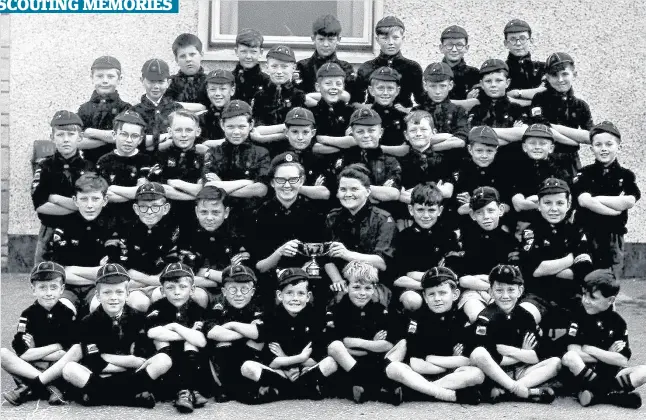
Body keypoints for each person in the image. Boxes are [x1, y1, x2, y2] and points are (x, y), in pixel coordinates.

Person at [60, 263, 168, 408]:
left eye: (119, 292)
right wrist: (128, 361)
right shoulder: (88, 322)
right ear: (98, 295)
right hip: (103, 374)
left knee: (163, 360)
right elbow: (93, 361)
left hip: (132, 375)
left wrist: (107, 357)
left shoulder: (138, 318)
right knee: (69, 369)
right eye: (107, 292)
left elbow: (142, 357)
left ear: (127, 294)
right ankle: (131, 398)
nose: (113, 298)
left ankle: (98, 397)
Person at [385, 267, 484, 405]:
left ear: (455, 294)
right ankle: (447, 394)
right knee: (393, 368)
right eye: (431, 294)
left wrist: (431, 358)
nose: (437, 299)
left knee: (477, 374)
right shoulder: (418, 320)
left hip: (450, 377)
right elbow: (416, 364)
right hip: (421, 374)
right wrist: (449, 362)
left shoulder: (463, 320)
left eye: (443, 293)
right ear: (424, 297)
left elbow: (467, 360)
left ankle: (417, 392)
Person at [237, 268, 337, 402]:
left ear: (308, 296)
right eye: (289, 293)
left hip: (303, 371)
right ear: (279, 295)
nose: (295, 298)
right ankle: (301, 390)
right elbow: (271, 361)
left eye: (300, 293)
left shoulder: (315, 318)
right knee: (248, 367)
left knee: (331, 362)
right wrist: (299, 358)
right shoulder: (271, 318)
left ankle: (283, 391)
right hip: (283, 373)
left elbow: (316, 356)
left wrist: (285, 358)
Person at [470, 264, 560, 404]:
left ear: (520, 291)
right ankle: (520, 391)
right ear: (491, 292)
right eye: (499, 290)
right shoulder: (485, 318)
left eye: (511, 290)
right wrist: (523, 353)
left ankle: (508, 392)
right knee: (479, 354)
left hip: (521, 371)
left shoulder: (525, 316)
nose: (505, 296)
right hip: (496, 373)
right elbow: (493, 360)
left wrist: (512, 351)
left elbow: (538, 355)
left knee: (555, 362)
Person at [561, 270, 646, 408]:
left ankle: (597, 394)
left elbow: (622, 359)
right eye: (584, 295)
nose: (586, 301)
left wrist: (592, 349)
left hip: (610, 374)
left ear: (610, 300)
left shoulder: (618, 322)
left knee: (643, 371)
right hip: (584, 374)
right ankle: (613, 395)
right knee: (570, 357)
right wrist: (608, 353)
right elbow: (574, 353)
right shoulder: (578, 315)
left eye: (593, 298)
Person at [517, 177, 593, 328]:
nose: (554, 209)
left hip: (571, 296)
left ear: (568, 204)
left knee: (597, 320)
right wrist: (570, 259)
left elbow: (583, 272)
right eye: (547, 203)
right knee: (522, 318)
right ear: (538, 205)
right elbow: (533, 270)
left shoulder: (577, 232)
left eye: (560, 203)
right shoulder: (531, 231)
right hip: (537, 296)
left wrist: (548, 268)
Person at [252, 152, 327, 303]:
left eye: (293, 179)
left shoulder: (315, 213)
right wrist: (279, 252)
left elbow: (322, 256)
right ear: (272, 182)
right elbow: (259, 266)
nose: (287, 185)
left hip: (307, 282)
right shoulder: (258, 215)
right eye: (280, 180)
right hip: (272, 282)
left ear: (302, 180)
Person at [1, 262, 75, 406]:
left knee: (68, 361)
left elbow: (66, 352)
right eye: (42, 287)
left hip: (56, 368)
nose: (48, 293)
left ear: (62, 289)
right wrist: (56, 345)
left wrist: (35, 351)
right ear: (33, 289)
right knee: (3, 353)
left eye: (53, 287)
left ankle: (28, 388)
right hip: (33, 366)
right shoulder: (28, 315)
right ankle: (49, 388)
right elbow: (22, 352)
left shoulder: (67, 314)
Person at [574, 121, 640, 277]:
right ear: (591, 149)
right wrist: (614, 210)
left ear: (619, 147)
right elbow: (584, 201)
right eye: (598, 145)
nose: (603, 149)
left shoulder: (626, 175)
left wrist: (596, 200)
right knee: (587, 275)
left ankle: (610, 301)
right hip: (587, 233)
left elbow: (629, 201)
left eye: (609, 144)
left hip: (613, 234)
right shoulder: (584, 173)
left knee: (611, 276)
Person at [326, 261, 398, 404]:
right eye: (356, 287)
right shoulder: (339, 310)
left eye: (367, 288)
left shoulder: (379, 309)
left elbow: (388, 345)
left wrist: (358, 343)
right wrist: (372, 344)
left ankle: (366, 387)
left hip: (373, 361)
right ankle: (373, 387)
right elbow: (342, 346)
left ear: (374, 289)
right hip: (349, 363)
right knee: (335, 349)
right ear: (347, 287)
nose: (362, 293)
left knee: (400, 346)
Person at [108, 182, 187, 312]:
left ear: (166, 208)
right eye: (143, 207)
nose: (149, 212)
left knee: (162, 297)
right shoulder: (126, 229)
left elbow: (173, 267)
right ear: (135, 208)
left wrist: (156, 281)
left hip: (166, 285)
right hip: (134, 286)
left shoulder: (175, 230)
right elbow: (123, 268)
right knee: (140, 303)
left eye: (155, 206)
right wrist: (151, 280)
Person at [324, 164, 397, 302]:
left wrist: (347, 255)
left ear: (368, 191)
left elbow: (382, 262)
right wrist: (337, 280)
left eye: (354, 189)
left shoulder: (383, 219)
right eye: (343, 189)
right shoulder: (332, 217)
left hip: (374, 283)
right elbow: (327, 259)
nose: (348, 194)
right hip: (343, 281)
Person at [45, 173, 115, 316]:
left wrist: (72, 269)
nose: (89, 205)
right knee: (60, 309)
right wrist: (98, 271)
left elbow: (113, 273)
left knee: (102, 307)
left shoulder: (114, 226)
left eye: (95, 199)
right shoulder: (64, 226)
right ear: (75, 201)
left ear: (105, 200)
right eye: (84, 199)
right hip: (68, 287)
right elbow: (59, 273)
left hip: (100, 287)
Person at [31, 110, 94, 264]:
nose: (65, 140)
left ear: (79, 137)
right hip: (50, 232)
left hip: (81, 229)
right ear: (52, 138)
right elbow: (40, 205)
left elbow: (89, 204)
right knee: (45, 278)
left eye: (71, 135)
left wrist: (55, 198)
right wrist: (77, 205)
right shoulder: (45, 166)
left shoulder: (90, 168)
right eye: (60, 135)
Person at [145, 263, 209, 413]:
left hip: (192, 362)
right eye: (170, 288)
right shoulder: (157, 308)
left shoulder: (197, 310)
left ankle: (188, 391)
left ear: (192, 289)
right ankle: (186, 392)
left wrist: (174, 327)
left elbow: (201, 341)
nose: (177, 292)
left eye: (182, 287)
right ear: (162, 290)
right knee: (162, 340)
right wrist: (187, 333)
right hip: (168, 364)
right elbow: (152, 333)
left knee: (191, 344)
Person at [201, 100, 270, 230]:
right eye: (231, 127)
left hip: (253, 217)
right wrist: (248, 182)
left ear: (251, 125)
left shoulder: (261, 153)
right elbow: (209, 187)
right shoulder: (213, 153)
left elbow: (261, 189)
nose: (236, 132)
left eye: (242, 127)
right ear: (222, 125)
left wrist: (221, 185)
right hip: (220, 221)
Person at [392, 183, 459, 311]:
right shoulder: (403, 237)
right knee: (412, 300)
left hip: (443, 289)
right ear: (411, 210)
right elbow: (397, 277)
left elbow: (453, 273)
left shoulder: (448, 235)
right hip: (415, 288)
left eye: (431, 210)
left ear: (440, 210)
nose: (426, 215)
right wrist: (427, 285)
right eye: (420, 210)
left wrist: (415, 275)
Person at [180, 186, 250, 304]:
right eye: (204, 212)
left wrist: (206, 272)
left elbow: (240, 277)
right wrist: (219, 277)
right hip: (198, 290)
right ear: (197, 212)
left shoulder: (237, 236)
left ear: (226, 212)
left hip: (233, 294)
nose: (209, 218)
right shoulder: (187, 235)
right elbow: (184, 275)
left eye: (216, 212)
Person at [204, 265, 264, 402]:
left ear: (252, 291)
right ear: (224, 291)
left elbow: (259, 333)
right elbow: (212, 332)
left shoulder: (258, 306)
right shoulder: (218, 306)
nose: (238, 294)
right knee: (223, 343)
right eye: (232, 289)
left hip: (247, 355)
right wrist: (246, 331)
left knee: (257, 343)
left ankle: (243, 386)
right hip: (225, 359)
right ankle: (225, 387)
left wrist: (232, 325)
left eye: (244, 289)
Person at [457, 187, 516, 322]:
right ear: (472, 215)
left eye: (491, 210)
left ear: (500, 210)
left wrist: (492, 285)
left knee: (508, 316)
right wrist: (488, 284)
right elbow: (462, 279)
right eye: (479, 212)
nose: (486, 217)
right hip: (473, 290)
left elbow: (512, 276)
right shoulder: (465, 239)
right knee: (478, 316)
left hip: (503, 291)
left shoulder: (509, 241)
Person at [530, 52, 593, 178]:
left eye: (565, 74)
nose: (560, 80)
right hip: (544, 160)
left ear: (574, 74)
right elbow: (541, 127)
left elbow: (592, 136)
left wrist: (555, 129)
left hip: (571, 163)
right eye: (554, 75)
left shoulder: (580, 106)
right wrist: (574, 141)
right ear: (547, 77)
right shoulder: (539, 99)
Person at [96, 110, 156, 225]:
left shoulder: (146, 161)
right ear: (114, 135)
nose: (128, 140)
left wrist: (113, 188)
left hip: (138, 221)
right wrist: (135, 192)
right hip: (108, 219)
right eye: (124, 134)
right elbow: (104, 195)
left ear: (140, 139)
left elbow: (147, 195)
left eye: (134, 136)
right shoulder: (104, 161)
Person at [351, 16, 424, 110]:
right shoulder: (367, 67)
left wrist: (409, 110)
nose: (390, 42)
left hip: (401, 119)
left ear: (403, 38)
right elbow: (354, 101)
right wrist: (364, 107)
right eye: (385, 38)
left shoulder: (412, 68)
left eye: (395, 37)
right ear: (377, 40)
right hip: (372, 119)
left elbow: (422, 101)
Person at [77, 56, 132, 164]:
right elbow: (77, 141)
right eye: (100, 76)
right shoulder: (84, 109)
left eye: (111, 76)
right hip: (89, 165)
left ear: (119, 79)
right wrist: (110, 139)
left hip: (120, 163)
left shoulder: (125, 108)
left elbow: (126, 138)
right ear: (92, 77)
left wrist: (90, 132)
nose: (105, 81)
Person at [251, 45, 306, 150]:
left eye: (284, 67)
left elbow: (296, 129)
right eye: (274, 66)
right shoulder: (260, 96)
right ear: (267, 67)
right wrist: (284, 128)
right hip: (262, 150)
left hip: (290, 149)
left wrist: (263, 137)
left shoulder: (299, 95)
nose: (279, 71)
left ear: (293, 68)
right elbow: (257, 129)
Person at [414, 62, 468, 167]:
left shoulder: (458, 111)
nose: (437, 91)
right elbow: (413, 142)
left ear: (450, 85)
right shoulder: (416, 111)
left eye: (442, 86)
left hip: (452, 165)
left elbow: (460, 141)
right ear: (425, 86)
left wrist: (426, 146)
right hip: (422, 165)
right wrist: (447, 137)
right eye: (433, 86)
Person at [130, 58, 183, 153]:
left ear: (168, 82)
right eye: (151, 81)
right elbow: (132, 140)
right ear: (142, 80)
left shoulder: (177, 109)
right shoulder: (134, 112)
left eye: (161, 81)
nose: (156, 87)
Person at [295, 14, 354, 95]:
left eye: (330, 40)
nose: (325, 44)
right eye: (321, 39)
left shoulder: (346, 68)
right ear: (313, 39)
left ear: (338, 39)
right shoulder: (302, 67)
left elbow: (351, 99)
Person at [503, 19, 547, 106]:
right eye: (512, 39)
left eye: (522, 38)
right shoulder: (501, 70)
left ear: (531, 41)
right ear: (505, 43)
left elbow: (548, 93)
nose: (518, 43)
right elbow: (501, 99)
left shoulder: (543, 68)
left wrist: (517, 93)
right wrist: (534, 100)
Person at [166, 33, 209, 112]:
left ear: (201, 55)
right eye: (182, 56)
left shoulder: (209, 81)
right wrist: (202, 107)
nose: (188, 59)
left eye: (192, 54)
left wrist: (177, 105)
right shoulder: (170, 83)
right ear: (176, 60)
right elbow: (165, 106)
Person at [438, 25, 480, 102]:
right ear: (441, 48)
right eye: (449, 45)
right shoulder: (433, 73)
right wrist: (466, 102)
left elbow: (476, 103)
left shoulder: (474, 74)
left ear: (466, 48)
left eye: (459, 45)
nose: (454, 50)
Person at [232, 28, 271, 106]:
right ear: (236, 51)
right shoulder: (229, 80)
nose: (248, 56)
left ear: (261, 52)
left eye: (253, 52)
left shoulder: (267, 83)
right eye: (243, 51)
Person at [199, 69, 235, 143]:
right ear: (207, 91)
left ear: (232, 91)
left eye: (222, 89)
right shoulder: (201, 119)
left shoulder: (241, 117)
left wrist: (208, 143)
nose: (217, 93)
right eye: (213, 89)